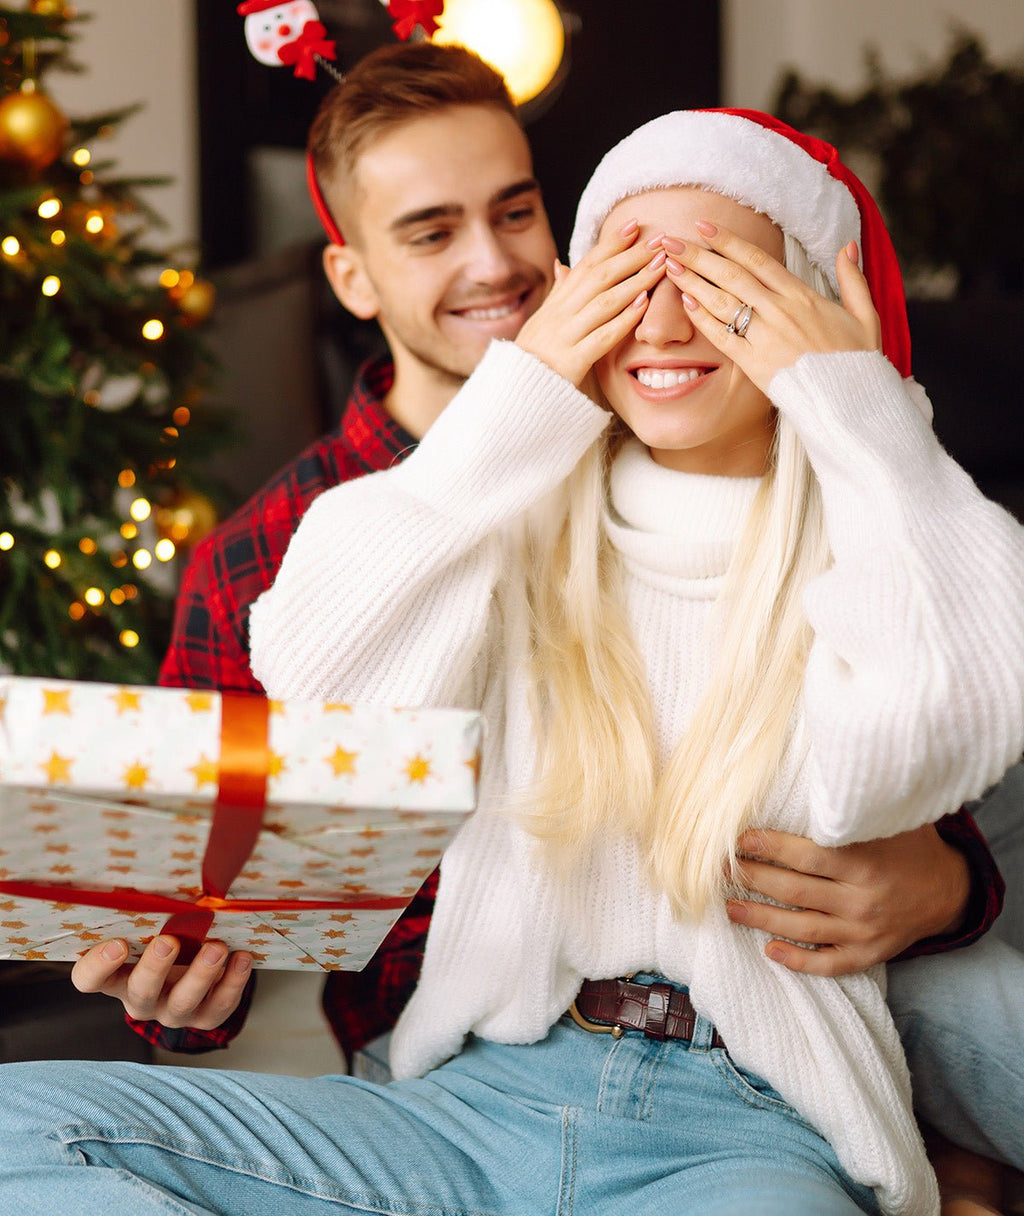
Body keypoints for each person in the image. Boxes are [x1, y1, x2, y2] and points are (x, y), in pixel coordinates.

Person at [4, 108, 1021, 1215]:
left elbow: (924, 742)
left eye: (724, 283)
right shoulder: (456, 522)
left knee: (969, 1005)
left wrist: (861, 409)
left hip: (738, 1119)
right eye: (629, 276)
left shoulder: (889, 536)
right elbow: (327, 709)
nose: (666, 318)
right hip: (461, 1099)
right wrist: (524, 400)